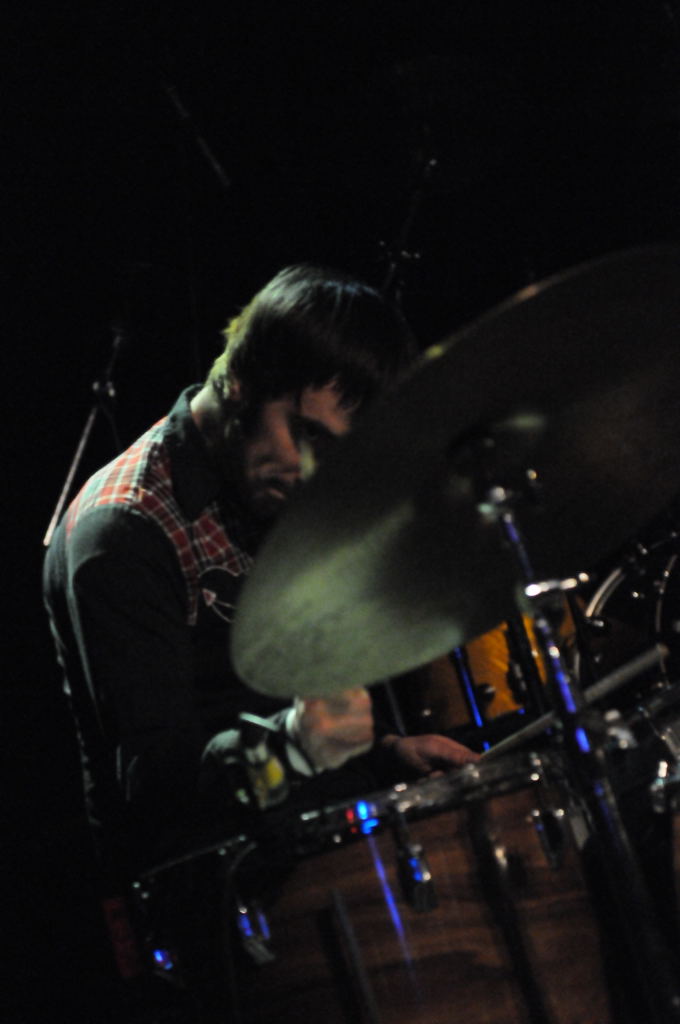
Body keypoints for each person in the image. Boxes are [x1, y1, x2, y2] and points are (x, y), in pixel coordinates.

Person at [42, 265, 478, 995]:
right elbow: (159, 794)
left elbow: (286, 706)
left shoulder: (269, 486)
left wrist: (384, 755)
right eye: (305, 434)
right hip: (213, 917)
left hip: (312, 854)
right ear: (240, 381)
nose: (315, 473)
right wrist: (291, 749)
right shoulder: (124, 532)